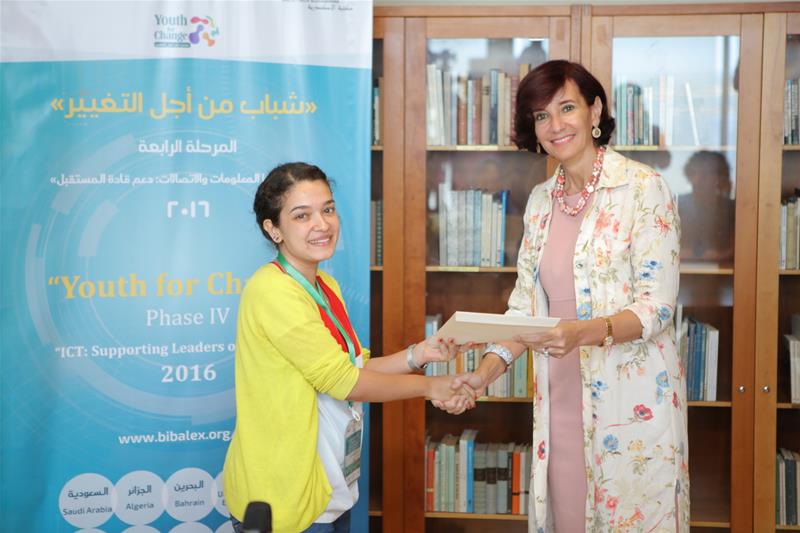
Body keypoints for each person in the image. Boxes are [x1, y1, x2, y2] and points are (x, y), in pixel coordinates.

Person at [437, 60, 689, 532]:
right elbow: (524, 308)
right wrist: (483, 375)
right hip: (560, 401)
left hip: (630, 406)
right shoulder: (540, 201)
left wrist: (580, 333)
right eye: (541, 115)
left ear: (595, 111)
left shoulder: (643, 189)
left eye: (566, 108)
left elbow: (657, 307)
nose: (555, 125)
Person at [223, 162, 472, 533]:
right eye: (302, 216)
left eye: (327, 209)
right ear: (273, 229)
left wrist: (418, 354)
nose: (322, 224)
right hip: (285, 494)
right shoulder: (273, 290)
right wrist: (430, 386)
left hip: (332, 485)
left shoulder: (324, 285)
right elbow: (343, 382)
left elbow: (352, 366)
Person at [678, 150, 735, 263]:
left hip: (722, 271)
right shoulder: (678, 204)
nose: (697, 180)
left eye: (704, 174)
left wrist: (722, 255)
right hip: (683, 271)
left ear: (719, 178)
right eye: (693, 173)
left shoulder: (731, 208)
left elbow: (742, 246)